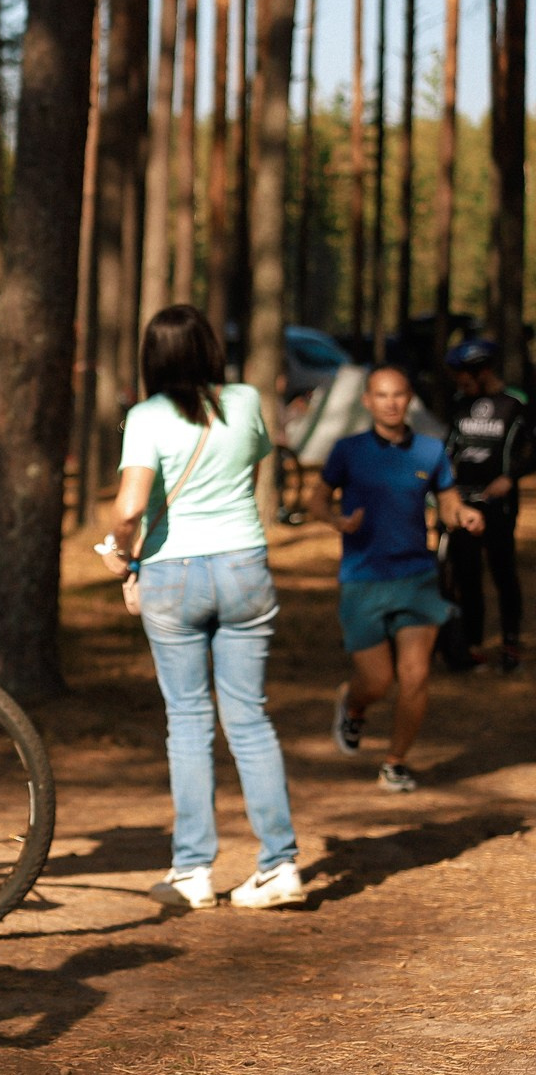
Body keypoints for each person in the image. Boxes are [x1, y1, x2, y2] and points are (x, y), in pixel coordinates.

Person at [98, 306, 303, 910]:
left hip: (173, 575)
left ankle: (192, 872)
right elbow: (253, 460)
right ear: (210, 349)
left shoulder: (146, 416)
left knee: (188, 721)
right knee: (250, 719)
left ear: (152, 358)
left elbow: (132, 506)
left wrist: (117, 551)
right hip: (244, 567)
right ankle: (280, 865)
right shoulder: (244, 401)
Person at [311, 365, 486, 794]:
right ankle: (353, 706)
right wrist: (336, 520)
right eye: (382, 396)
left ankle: (395, 762)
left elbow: (446, 502)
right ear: (367, 401)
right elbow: (318, 497)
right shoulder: (348, 450)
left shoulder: (429, 451)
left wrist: (460, 514)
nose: (391, 403)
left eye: (399, 395)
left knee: (416, 676)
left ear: (410, 400)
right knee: (378, 681)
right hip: (363, 578)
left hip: (416, 576)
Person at [440, 338, 529, 671]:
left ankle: (510, 642)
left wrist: (511, 477)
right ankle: (471, 643)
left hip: (499, 505)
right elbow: (449, 446)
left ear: (484, 370)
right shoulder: (459, 403)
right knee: (466, 574)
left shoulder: (514, 402)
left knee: (503, 572)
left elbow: (529, 449)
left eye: (464, 374)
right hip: (462, 502)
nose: (460, 382)